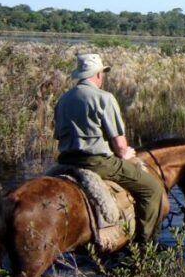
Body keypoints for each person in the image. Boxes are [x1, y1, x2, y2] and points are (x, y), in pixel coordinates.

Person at [54, 53, 163, 245]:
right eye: (102, 73)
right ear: (97, 74)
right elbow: (120, 146)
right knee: (152, 188)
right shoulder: (104, 98)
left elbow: (59, 135)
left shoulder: (64, 99)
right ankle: (147, 246)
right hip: (97, 163)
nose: (103, 77)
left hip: (65, 161)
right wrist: (126, 153)